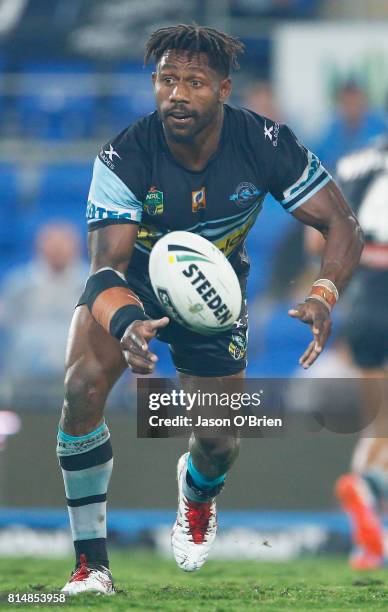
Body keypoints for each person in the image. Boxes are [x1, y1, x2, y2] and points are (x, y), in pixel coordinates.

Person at [58, 24, 363, 595]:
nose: (177, 93)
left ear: (223, 89)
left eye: (194, 82)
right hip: (135, 288)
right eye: (167, 79)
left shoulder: (265, 142)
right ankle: (90, 565)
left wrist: (324, 293)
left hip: (213, 296)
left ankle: (197, 497)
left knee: (219, 440)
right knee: (80, 387)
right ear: (153, 85)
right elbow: (105, 270)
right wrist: (126, 325)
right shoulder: (125, 154)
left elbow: (341, 223)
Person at [327, 137, 388, 570]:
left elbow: (324, 241)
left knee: (378, 424)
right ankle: (369, 489)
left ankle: (366, 545)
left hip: (364, 301)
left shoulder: (355, 160)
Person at [0, 222, 86, 390]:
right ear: (38, 246)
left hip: (79, 378)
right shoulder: (18, 285)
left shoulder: (92, 286)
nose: (57, 249)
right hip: (23, 376)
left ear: (77, 247)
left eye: (63, 243)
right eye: (52, 243)